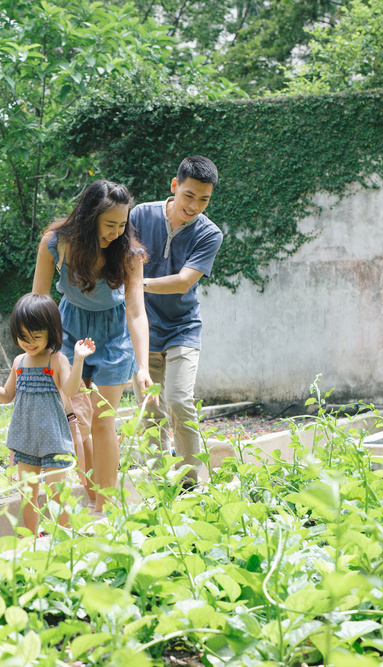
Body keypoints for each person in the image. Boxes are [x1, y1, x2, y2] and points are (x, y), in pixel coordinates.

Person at [32, 180, 152, 514]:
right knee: (72, 420)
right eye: (109, 224)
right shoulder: (56, 244)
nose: (117, 232)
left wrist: (142, 366)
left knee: (103, 421)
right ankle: (83, 493)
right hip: (68, 327)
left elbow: (136, 311)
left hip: (113, 333)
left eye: (122, 225)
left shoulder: (130, 254)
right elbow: (39, 298)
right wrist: (40, 346)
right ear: (89, 218)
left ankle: (105, 506)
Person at [0, 292, 94, 536]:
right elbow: (7, 395)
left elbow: (71, 389)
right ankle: (31, 539)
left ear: (51, 332)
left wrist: (79, 360)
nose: (29, 342)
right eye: (23, 337)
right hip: (25, 439)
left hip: (54, 438)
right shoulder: (19, 361)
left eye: (36, 337)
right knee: (27, 494)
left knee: (56, 493)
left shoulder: (57, 359)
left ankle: (63, 536)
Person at [130, 155, 224, 484]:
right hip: (143, 331)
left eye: (204, 199)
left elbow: (184, 281)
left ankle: (190, 483)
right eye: (189, 196)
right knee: (151, 412)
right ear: (174, 186)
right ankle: (158, 486)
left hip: (183, 328)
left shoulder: (210, 234)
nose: (195, 205)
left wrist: (137, 284)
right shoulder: (140, 215)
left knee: (179, 400)